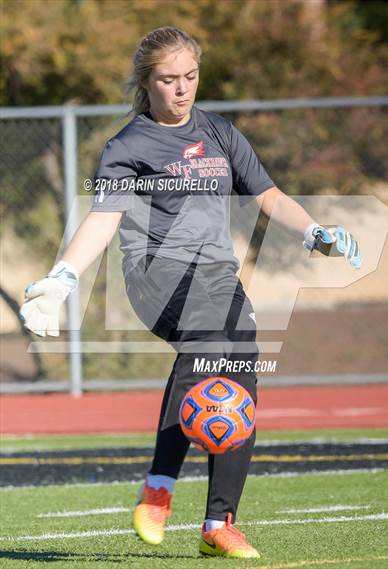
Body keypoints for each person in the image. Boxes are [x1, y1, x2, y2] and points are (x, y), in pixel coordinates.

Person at [19, 26, 361, 559]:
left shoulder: (221, 132)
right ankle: (159, 489)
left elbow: (268, 194)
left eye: (191, 77)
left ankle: (218, 523)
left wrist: (314, 232)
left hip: (217, 276)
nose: (182, 89)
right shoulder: (128, 146)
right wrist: (64, 277)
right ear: (146, 82)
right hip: (156, 275)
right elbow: (103, 218)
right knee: (206, 346)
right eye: (168, 79)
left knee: (240, 370)